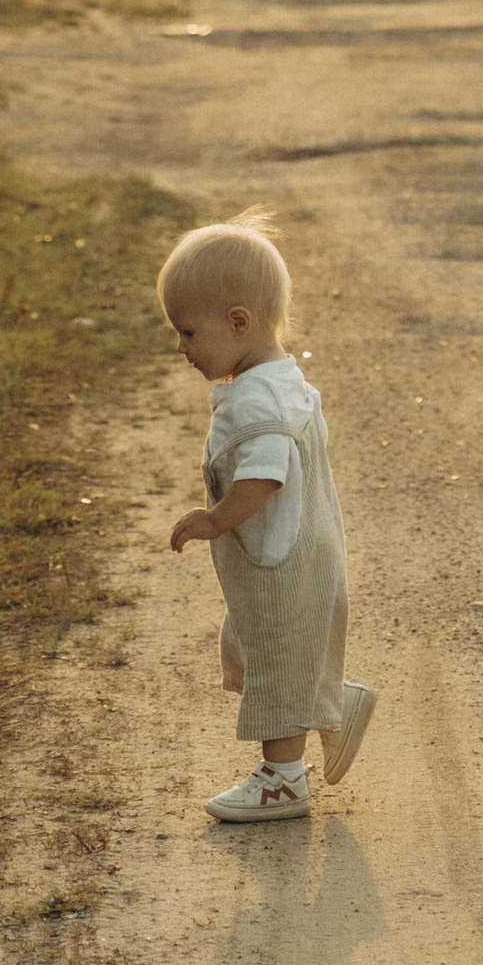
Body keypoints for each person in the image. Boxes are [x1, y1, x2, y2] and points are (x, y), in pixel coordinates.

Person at [161, 217, 375, 822]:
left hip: (284, 562)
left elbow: (267, 472)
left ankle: (283, 782)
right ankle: (333, 702)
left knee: (278, 658)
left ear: (238, 322)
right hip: (307, 549)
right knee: (261, 646)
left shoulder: (256, 398)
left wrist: (216, 518)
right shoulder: (284, 380)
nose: (181, 348)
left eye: (187, 331)